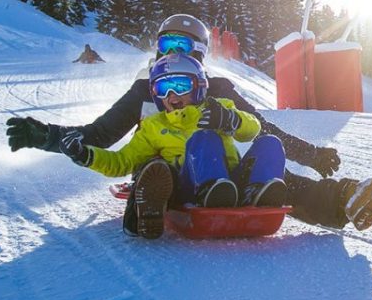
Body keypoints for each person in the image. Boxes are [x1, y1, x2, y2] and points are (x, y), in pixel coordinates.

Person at [6, 14, 372, 234]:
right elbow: (98, 137)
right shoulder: (147, 90)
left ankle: (346, 200)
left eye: (183, 49)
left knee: (275, 174)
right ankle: (147, 205)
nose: (173, 56)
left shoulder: (218, 89)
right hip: (164, 170)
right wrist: (47, 137)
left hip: (219, 173)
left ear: (200, 56)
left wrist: (311, 155)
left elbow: (263, 131)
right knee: (155, 168)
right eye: (165, 47)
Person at [58, 52, 286, 238]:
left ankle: (256, 193)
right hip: (191, 187)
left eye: (180, 85)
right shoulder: (154, 126)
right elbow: (121, 162)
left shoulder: (219, 107)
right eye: (162, 88)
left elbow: (252, 129)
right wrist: (86, 155)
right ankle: (209, 190)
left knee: (270, 143)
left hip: (234, 185)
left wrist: (231, 119)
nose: (171, 95)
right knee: (204, 139)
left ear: (199, 86)